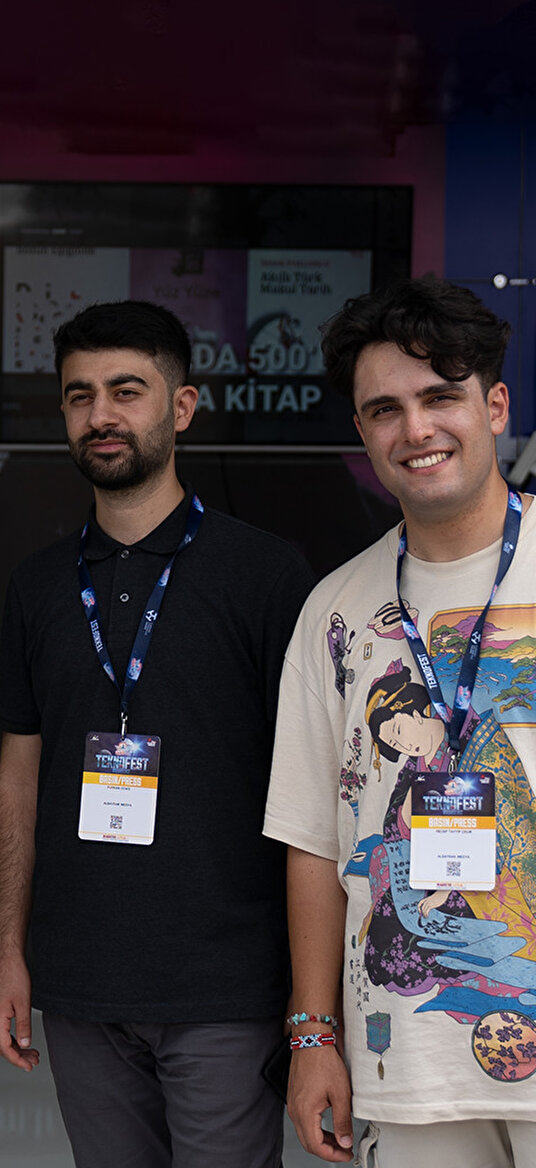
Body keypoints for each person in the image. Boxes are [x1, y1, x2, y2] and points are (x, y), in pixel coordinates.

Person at [0, 299, 315, 1168]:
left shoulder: (266, 575)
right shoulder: (38, 586)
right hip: (81, 983)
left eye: (126, 391)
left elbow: (314, 793)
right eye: (80, 395)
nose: (101, 414)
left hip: (227, 986)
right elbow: (19, 778)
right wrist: (9, 954)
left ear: (182, 406)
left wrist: (312, 1002)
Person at [264, 275, 536, 1166]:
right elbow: (312, 842)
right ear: (361, 431)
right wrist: (313, 1037)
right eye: (386, 409)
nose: (415, 429)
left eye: (440, 397)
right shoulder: (335, 611)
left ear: (495, 406)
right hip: (409, 1068)